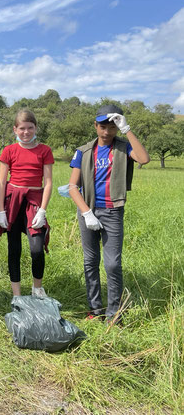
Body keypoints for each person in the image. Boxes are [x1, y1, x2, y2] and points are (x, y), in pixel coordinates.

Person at [68, 104, 149, 324]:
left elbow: (143, 159)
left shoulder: (123, 147)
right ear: (95, 126)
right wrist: (86, 213)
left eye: (112, 127)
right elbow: (72, 187)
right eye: (103, 126)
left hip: (113, 211)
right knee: (90, 262)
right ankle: (95, 310)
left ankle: (115, 314)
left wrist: (127, 129)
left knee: (112, 264)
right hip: (88, 212)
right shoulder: (83, 151)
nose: (107, 131)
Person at [0, 109, 54, 297]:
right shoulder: (9, 150)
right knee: (14, 249)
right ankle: (17, 295)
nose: (26, 132)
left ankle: (37, 289)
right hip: (13, 203)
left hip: (34, 202)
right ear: (15, 129)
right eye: (22, 128)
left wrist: (42, 210)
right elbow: (1, 182)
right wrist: (1, 211)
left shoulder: (44, 150)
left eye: (30, 128)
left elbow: (49, 182)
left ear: (35, 128)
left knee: (36, 249)